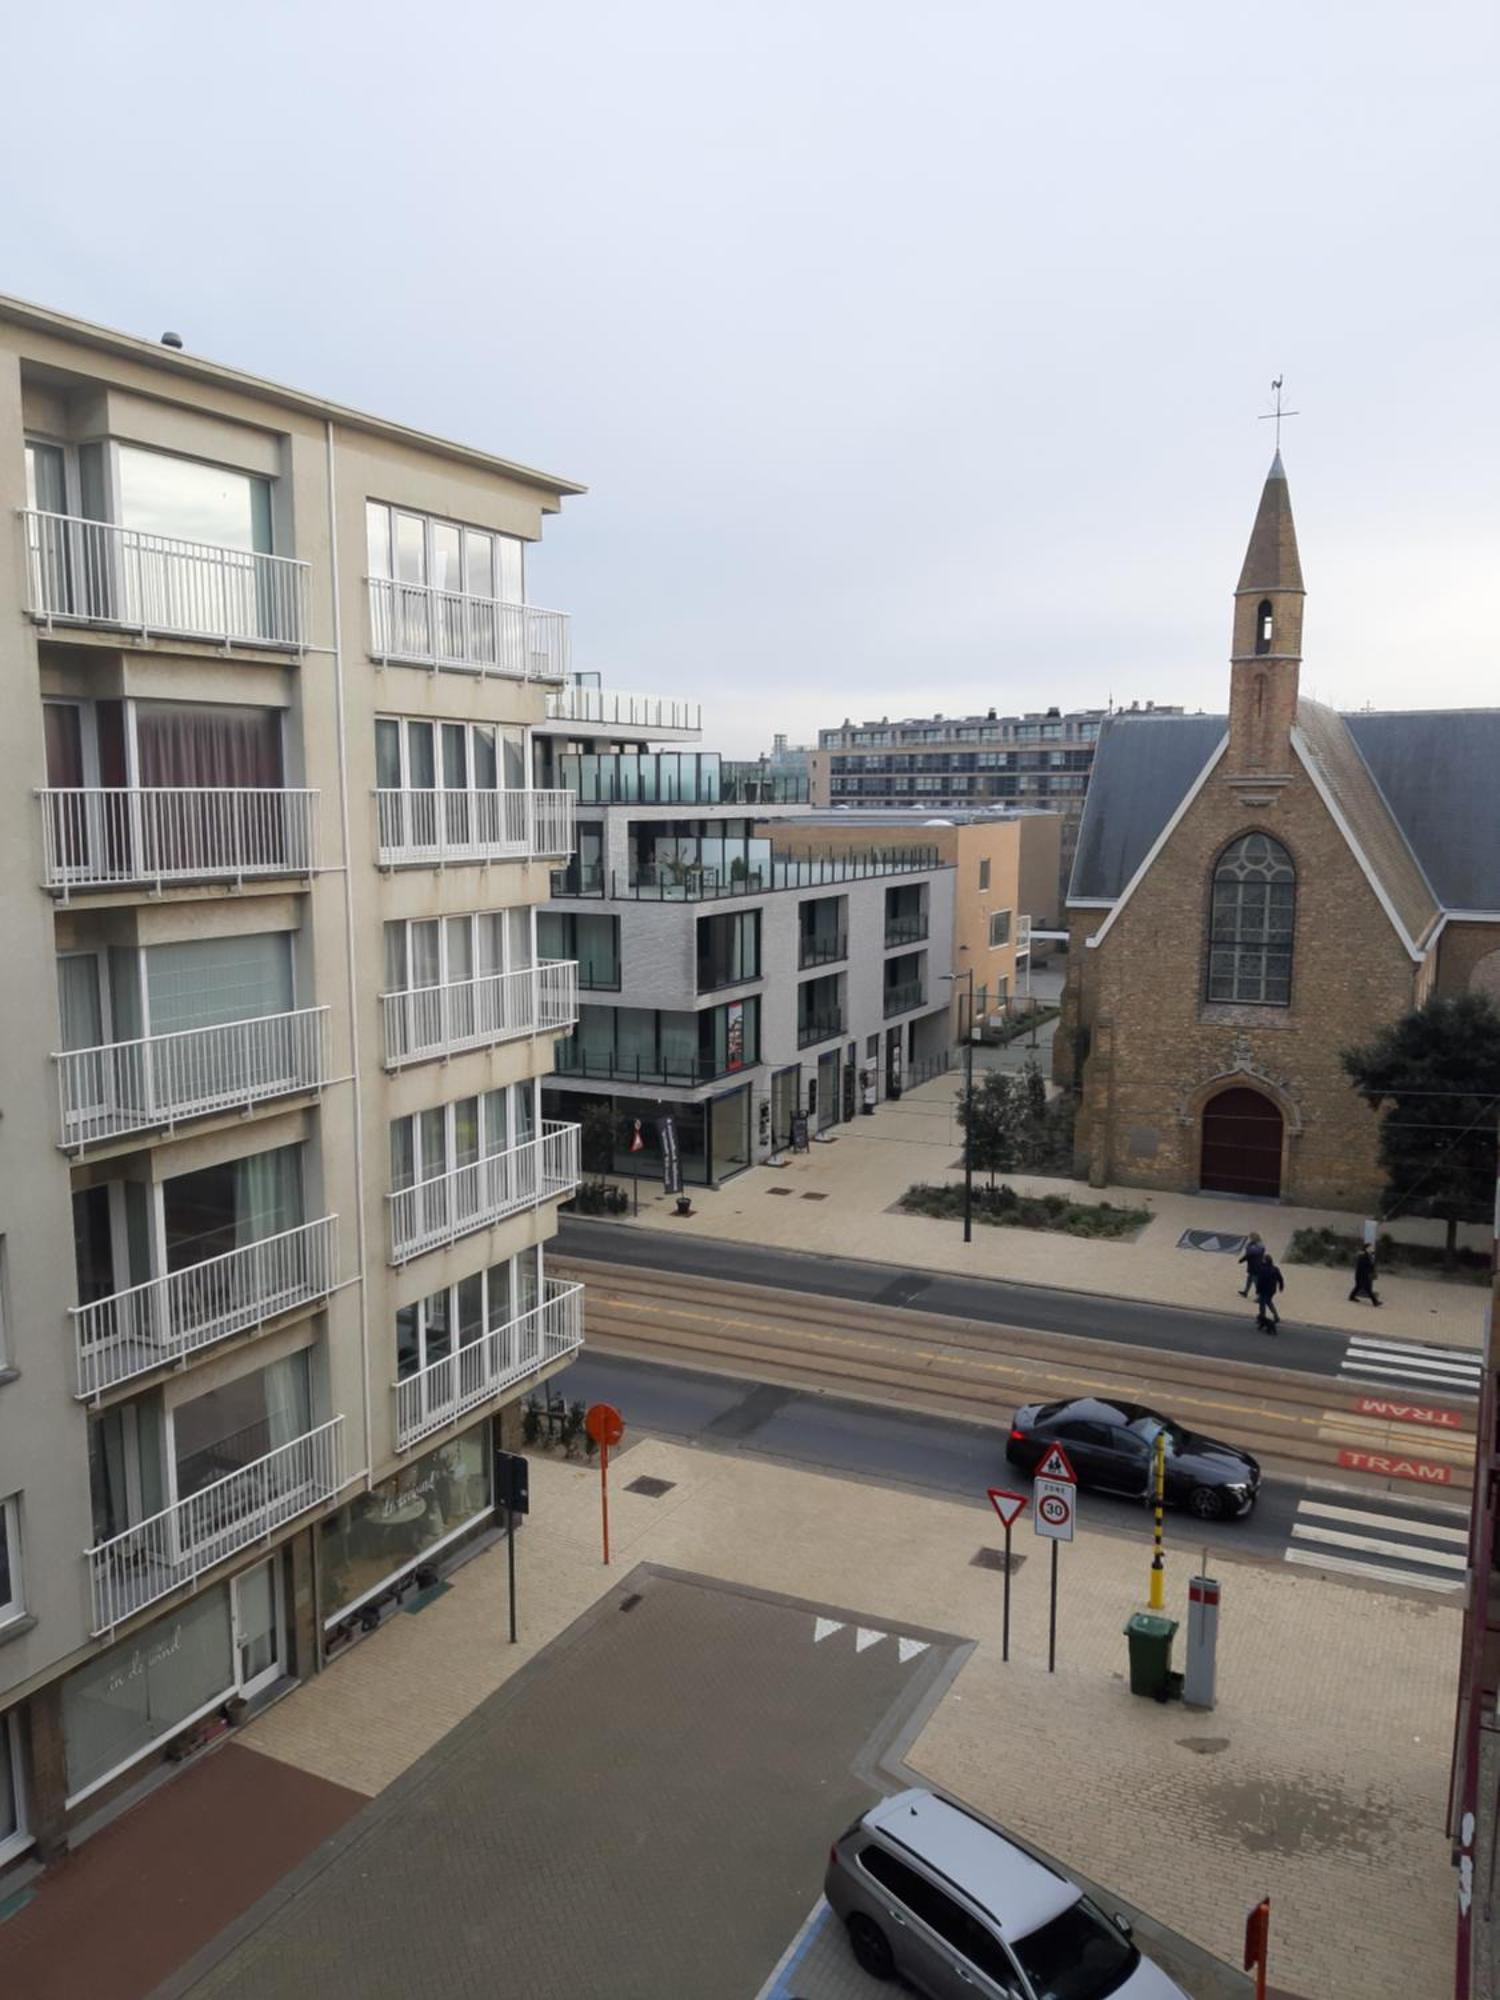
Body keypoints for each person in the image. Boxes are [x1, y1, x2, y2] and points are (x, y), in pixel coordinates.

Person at [1254, 1256, 1284, 1334]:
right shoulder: (1275, 1269)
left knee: (1262, 1304)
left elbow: (1260, 1280)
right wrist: (1281, 1286)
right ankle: (1276, 1315)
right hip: (1272, 1290)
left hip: (1264, 1290)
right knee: (1269, 1302)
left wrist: (1257, 1290)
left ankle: (1262, 1319)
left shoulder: (1262, 1269)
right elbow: (1280, 1278)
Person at [1238, 1232, 1266, 1298]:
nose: (1249, 1239)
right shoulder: (1258, 1245)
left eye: (1250, 1238)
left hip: (1255, 1266)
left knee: (1256, 1281)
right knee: (1249, 1279)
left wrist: (1241, 1260)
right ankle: (1245, 1292)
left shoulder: (1256, 1247)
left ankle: (1260, 1296)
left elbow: (1249, 1254)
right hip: (1254, 1266)